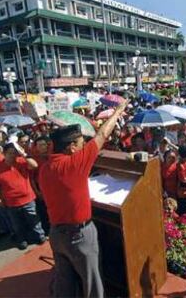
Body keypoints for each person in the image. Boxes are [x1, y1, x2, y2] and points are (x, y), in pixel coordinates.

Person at [39, 100, 127, 298]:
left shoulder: (45, 168)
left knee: (64, 280)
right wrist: (118, 112)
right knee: (92, 281)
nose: (84, 147)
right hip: (79, 235)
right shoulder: (74, 164)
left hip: (56, 233)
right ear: (71, 148)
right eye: (81, 144)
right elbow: (103, 134)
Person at [0, 143, 45, 250]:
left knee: (34, 220)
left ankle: (39, 236)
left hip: (28, 198)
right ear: (4, 153)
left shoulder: (21, 161)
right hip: (11, 202)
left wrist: (23, 154)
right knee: (17, 224)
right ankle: (22, 240)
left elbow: (34, 165)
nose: (13, 155)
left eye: (15, 153)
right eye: (10, 153)